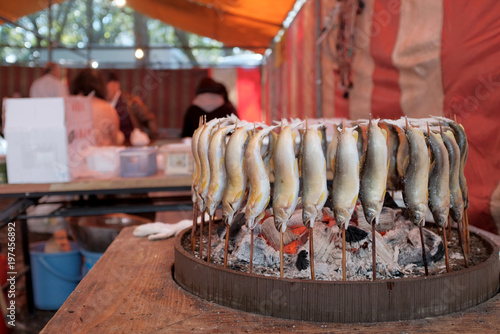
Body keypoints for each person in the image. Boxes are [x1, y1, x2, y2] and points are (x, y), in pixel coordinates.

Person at [70, 68, 123, 146]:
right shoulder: (108, 108)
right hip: (103, 155)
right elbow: (114, 139)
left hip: (75, 154)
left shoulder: (69, 106)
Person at [105, 72, 158, 145]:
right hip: (109, 148)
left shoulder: (131, 101)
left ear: (116, 84)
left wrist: (149, 141)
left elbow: (150, 120)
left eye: (106, 86)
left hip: (131, 147)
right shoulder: (101, 103)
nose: (103, 90)